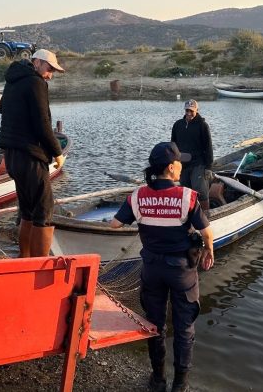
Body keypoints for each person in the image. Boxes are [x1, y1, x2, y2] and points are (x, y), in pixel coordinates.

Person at [109, 142, 214, 392]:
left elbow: (114, 224)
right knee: (184, 327)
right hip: (181, 271)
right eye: (180, 162)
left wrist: (147, 219)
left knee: (155, 324)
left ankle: (157, 380)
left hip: (152, 269)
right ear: (171, 167)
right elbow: (207, 232)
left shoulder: (137, 196)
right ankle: (180, 384)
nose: (182, 166)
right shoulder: (187, 196)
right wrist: (209, 250)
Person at [0, 49, 66, 258]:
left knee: (27, 211)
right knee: (44, 212)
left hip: (12, 156)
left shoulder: (13, 80)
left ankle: (24, 260)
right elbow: (43, 124)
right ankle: (39, 267)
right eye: (49, 69)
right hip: (30, 156)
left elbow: (2, 108)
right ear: (37, 62)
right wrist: (57, 153)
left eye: (53, 71)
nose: (50, 75)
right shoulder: (36, 83)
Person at [171, 99, 214, 211]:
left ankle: (206, 215)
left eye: (191, 111)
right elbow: (173, 144)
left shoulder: (203, 125)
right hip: (183, 165)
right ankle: (188, 213)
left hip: (198, 164)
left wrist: (208, 167)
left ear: (196, 110)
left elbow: (208, 147)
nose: (189, 113)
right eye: (187, 110)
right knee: (185, 191)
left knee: (200, 190)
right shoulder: (177, 125)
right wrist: (173, 162)